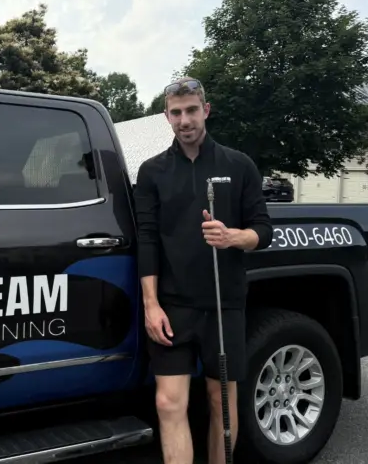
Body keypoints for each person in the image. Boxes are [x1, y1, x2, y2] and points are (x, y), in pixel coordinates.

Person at [133, 77, 273, 464]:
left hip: (224, 304)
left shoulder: (238, 165)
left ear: (205, 110)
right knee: (168, 402)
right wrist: (151, 305)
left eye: (191, 110)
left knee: (221, 403)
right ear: (166, 117)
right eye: (176, 113)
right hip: (172, 307)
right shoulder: (152, 172)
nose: (185, 120)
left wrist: (233, 237)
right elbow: (147, 240)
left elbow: (264, 231)